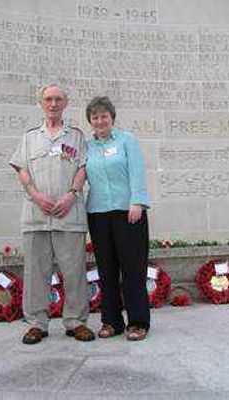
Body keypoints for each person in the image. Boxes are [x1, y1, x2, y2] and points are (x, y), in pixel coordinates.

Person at [9, 83, 95, 344]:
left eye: (58, 99)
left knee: (75, 271)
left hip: (69, 216)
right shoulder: (29, 137)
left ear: (65, 103)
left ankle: (76, 322)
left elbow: (83, 167)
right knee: (36, 273)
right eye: (48, 99)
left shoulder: (76, 136)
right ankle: (37, 323)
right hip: (36, 216)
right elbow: (21, 169)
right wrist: (35, 195)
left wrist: (71, 195)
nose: (53, 104)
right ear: (41, 103)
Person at [85, 96, 150, 341]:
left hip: (128, 212)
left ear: (112, 117)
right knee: (107, 269)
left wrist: (137, 202)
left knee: (133, 268)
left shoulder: (126, 140)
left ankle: (137, 322)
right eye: (95, 117)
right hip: (98, 214)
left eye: (104, 116)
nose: (100, 121)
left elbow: (137, 171)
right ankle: (111, 321)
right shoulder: (87, 146)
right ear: (90, 121)